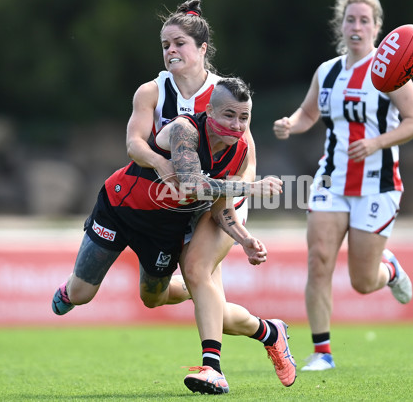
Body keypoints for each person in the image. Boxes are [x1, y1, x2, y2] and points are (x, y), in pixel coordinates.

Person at [53, 77, 295, 393]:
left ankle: (250, 341)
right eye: (229, 115)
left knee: (153, 299)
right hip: (118, 209)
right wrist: (249, 188)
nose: (236, 125)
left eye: (243, 118)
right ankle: (72, 290)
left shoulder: (238, 150)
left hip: (165, 229)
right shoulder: (185, 130)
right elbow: (191, 184)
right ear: (209, 111)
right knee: (83, 293)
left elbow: (221, 208)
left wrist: (244, 238)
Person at [126, 0, 296, 393]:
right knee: (157, 297)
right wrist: (162, 165)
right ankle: (270, 332)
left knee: (199, 270)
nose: (170, 50)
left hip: (221, 200)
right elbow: (134, 144)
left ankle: (212, 369)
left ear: (202, 49)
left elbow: (248, 160)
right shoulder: (153, 91)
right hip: (176, 202)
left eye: (179, 43)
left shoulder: (223, 95)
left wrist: (236, 193)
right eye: (165, 43)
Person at [273, 0, 413, 372]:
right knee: (319, 259)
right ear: (340, 25)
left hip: (377, 184)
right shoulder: (328, 71)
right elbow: (309, 114)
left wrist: (377, 142)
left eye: (364, 20)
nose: (356, 26)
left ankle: (388, 269)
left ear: (377, 28)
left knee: (362, 280)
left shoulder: (392, 72)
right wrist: (291, 123)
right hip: (330, 180)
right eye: (350, 19)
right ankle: (322, 353)